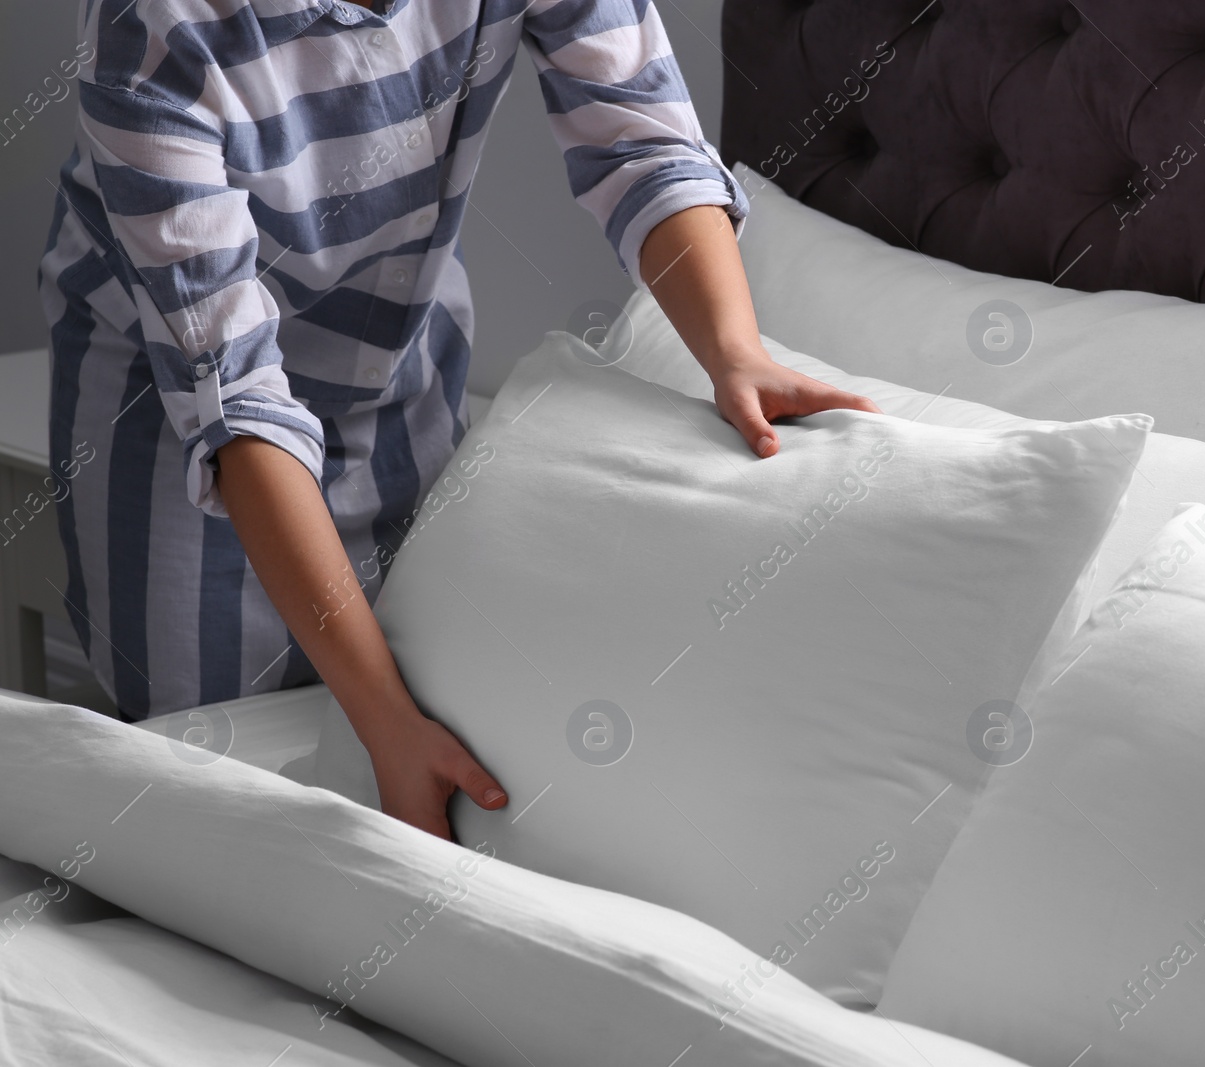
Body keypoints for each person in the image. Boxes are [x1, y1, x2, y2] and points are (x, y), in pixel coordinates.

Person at [38, 0, 879, 838]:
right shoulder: (153, 27)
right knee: (220, 796)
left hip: (399, 333)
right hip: (180, 394)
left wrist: (735, 352)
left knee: (436, 712)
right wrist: (386, 725)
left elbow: (642, 141)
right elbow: (236, 402)